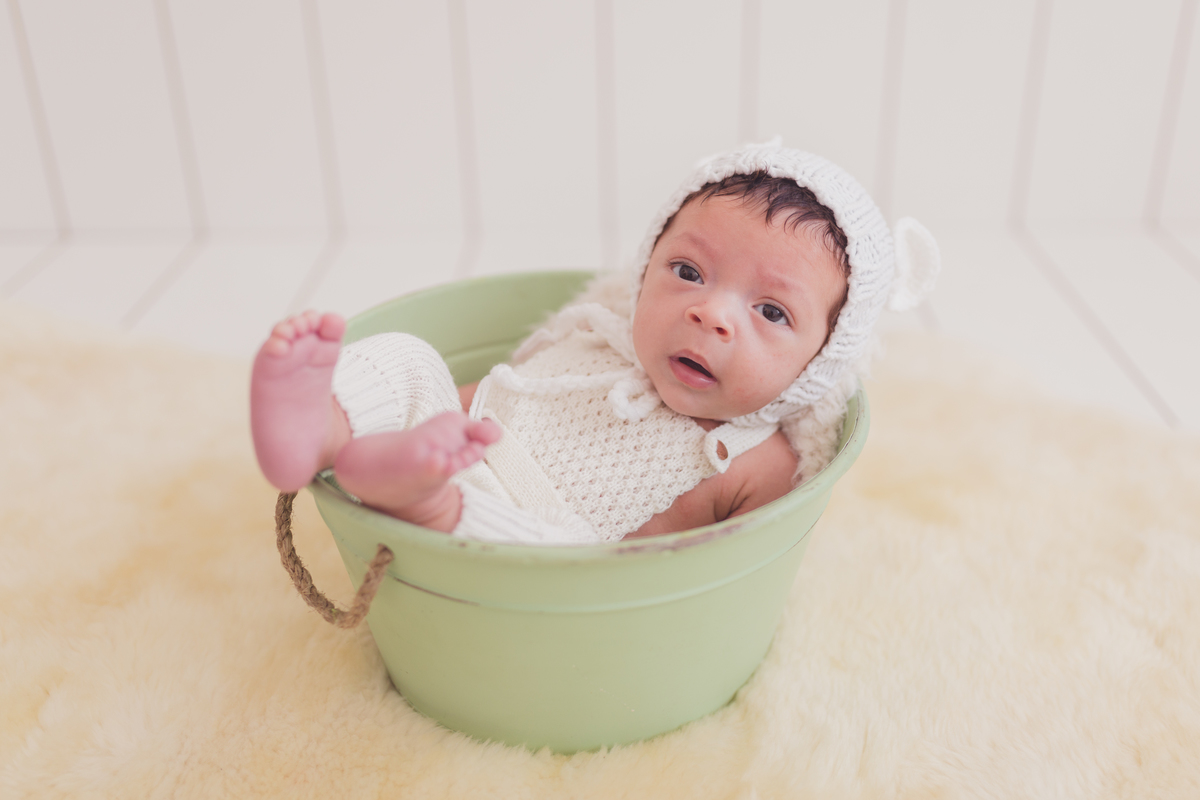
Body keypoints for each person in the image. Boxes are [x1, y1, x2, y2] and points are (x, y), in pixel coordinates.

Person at [250, 141, 939, 545]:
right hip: (457, 449)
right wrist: (435, 419)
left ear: (820, 363)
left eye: (770, 311)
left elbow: (727, 570)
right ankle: (320, 425)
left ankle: (418, 499)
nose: (710, 314)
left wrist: (453, 485)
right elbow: (491, 393)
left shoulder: (758, 462)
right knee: (409, 361)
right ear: (643, 273)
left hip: (539, 536)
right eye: (688, 272)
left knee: (530, 546)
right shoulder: (597, 339)